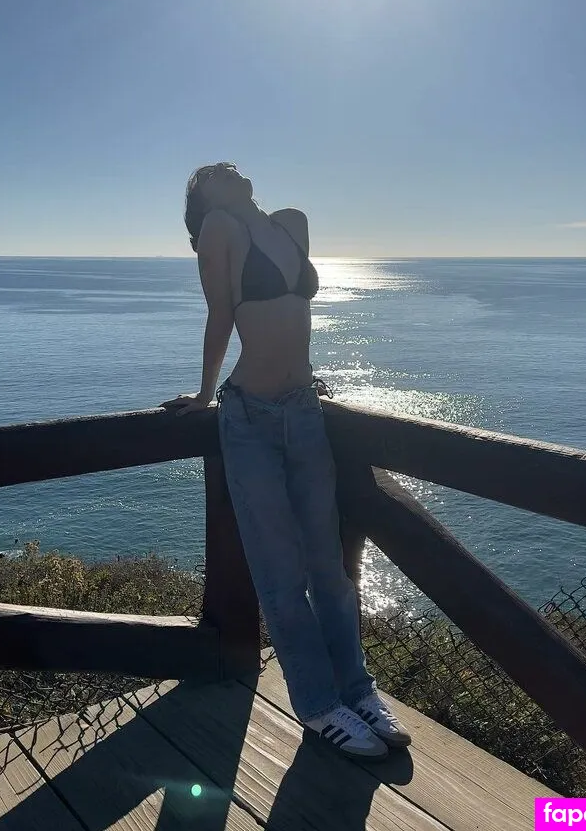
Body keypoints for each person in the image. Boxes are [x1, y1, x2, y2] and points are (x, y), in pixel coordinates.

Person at [161, 161, 411, 758]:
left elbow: (297, 314)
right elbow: (221, 316)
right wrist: (204, 394)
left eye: (229, 167)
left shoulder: (293, 223)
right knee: (280, 575)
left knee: (330, 570)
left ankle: (358, 691)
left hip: (304, 411)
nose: (227, 171)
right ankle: (320, 706)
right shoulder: (221, 228)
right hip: (249, 418)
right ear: (205, 200)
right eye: (212, 175)